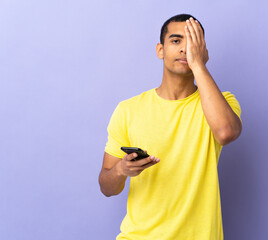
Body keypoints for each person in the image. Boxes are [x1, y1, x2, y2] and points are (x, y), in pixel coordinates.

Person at [99, 13, 242, 240]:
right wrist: (121, 170)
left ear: (203, 52)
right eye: (176, 41)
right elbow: (107, 187)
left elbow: (226, 132)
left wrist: (198, 66)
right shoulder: (128, 110)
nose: (185, 49)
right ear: (160, 50)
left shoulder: (223, 102)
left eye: (193, 42)